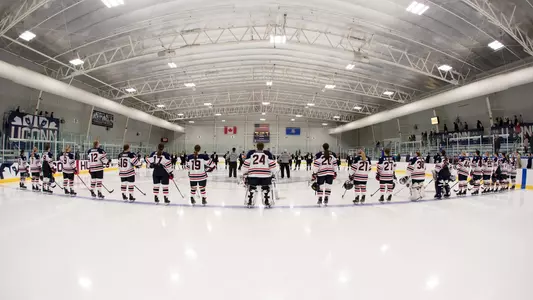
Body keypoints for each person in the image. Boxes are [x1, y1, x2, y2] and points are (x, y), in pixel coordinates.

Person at [242, 142, 277, 207]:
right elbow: (273, 166)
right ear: (263, 147)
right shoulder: (267, 155)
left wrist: (244, 173)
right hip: (265, 176)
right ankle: (266, 200)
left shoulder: (251, 155)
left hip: (253, 176)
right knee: (265, 188)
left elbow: (245, 166)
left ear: (256, 147)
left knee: (252, 187)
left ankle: (250, 200)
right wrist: (273, 173)